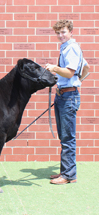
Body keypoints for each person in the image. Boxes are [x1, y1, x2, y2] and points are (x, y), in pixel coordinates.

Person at [45, 20, 90, 184]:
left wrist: (55, 69)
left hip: (68, 97)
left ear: (71, 31)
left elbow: (70, 73)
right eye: (57, 33)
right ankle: (66, 172)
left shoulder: (71, 48)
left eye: (63, 32)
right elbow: (86, 68)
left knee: (68, 138)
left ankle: (69, 175)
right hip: (64, 95)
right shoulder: (67, 47)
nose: (60, 35)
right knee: (64, 136)